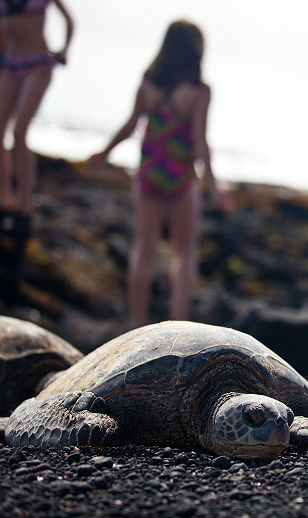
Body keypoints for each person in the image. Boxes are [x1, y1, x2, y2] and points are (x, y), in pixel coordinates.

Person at [90, 20, 232, 327]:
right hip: (181, 176)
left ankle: (135, 322)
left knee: (144, 249)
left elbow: (131, 126)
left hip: (149, 173)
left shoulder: (148, 85)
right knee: (183, 253)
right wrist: (212, 184)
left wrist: (104, 152)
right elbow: (199, 139)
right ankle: (178, 322)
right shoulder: (198, 91)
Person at [0, 0, 73, 297]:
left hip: (37, 63)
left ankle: (25, 202)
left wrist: (63, 50)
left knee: (19, 132)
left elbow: (70, 21)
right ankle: (5, 195)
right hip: (10, 62)